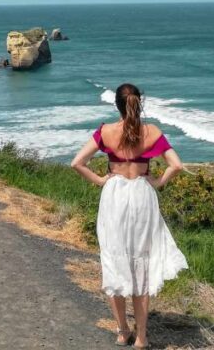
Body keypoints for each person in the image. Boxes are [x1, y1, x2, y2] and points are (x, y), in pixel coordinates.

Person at [71, 83, 188, 348]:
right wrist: (158, 182)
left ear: (117, 105)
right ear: (139, 103)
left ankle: (123, 331)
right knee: (141, 264)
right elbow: (177, 165)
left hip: (115, 196)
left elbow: (76, 163)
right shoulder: (152, 132)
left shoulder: (106, 132)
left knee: (114, 258)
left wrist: (102, 181)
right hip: (142, 196)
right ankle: (142, 337)